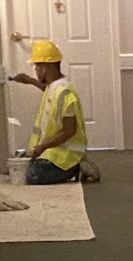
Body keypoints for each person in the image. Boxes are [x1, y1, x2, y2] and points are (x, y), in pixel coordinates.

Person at [10, 39, 92, 184]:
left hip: (66, 153)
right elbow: (46, 89)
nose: (36, 70)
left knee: (34, 175)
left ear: (44, 68)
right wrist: (29, 80)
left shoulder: (64, 93)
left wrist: (43, 146)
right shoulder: (53, 86)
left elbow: (69, 131)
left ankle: (77, 166)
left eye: (37, 67)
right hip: (53, 150)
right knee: (24, 163)